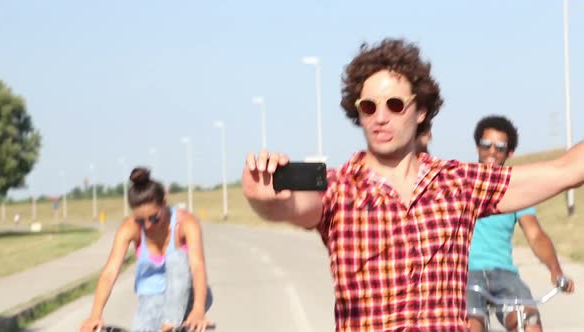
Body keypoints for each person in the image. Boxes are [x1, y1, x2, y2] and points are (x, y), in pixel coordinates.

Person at [241, 37, 584, 331]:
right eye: (368, 106)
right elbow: (288, 206)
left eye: (394, 104)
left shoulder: (458, 183)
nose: (380, 117)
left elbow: (564, 171)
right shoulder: (341, 189)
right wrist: (263, 197)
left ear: (420, 110)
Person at [467, 115, 575, 332]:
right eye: (486, 145)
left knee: (530, 322)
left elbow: (535, 235)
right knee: (469, 324)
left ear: (510, 153)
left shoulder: (515, 190)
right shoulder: (463, 183)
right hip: (467, 273)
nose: (491, 152)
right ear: (477, 146)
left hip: (504, 274)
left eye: (500, 147)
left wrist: (555, 270)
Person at [80, 167, 213, 332]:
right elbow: (110, 272)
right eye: (141, 221)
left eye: (154, 218)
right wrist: (95, 314)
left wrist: (198, 311)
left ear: (164, 203)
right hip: (152, 301)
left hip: (189, 294)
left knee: (177, 260)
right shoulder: (129, 228)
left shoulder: (186, 223)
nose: (148, 226)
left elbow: (198, 267)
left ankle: (169, 325)